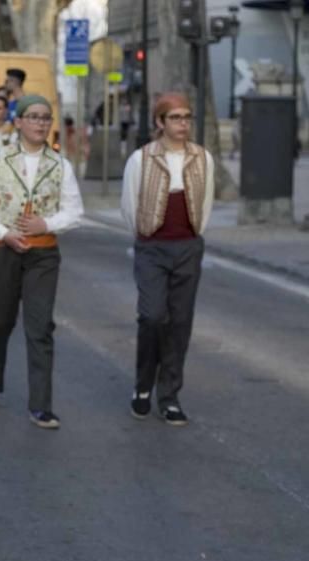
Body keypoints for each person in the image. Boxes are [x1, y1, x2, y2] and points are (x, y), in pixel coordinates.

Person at [0, 95, 84, 430]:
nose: (40, 123)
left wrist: (46, 225)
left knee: (41, 325)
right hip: (2, 249)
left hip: (43, 254)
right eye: (33, 117)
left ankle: (41, 405)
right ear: (18, 122)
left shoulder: (61, 165)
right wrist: (3, 233)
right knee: (0, 320)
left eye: (46, 118)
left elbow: (74, 212)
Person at [121, 92, 213, 426]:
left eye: (187, 117)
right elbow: (129, 206)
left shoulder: (202, 158)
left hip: (188, 246)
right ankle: (143, 385)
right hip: (152, 247)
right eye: (175, 117)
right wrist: (146, 235)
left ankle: (170, 395)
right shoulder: (141, 159)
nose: (183, 123)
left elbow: (206, 202)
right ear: (160, 122)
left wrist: (194, 234)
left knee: (180, 321)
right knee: (152, 316)